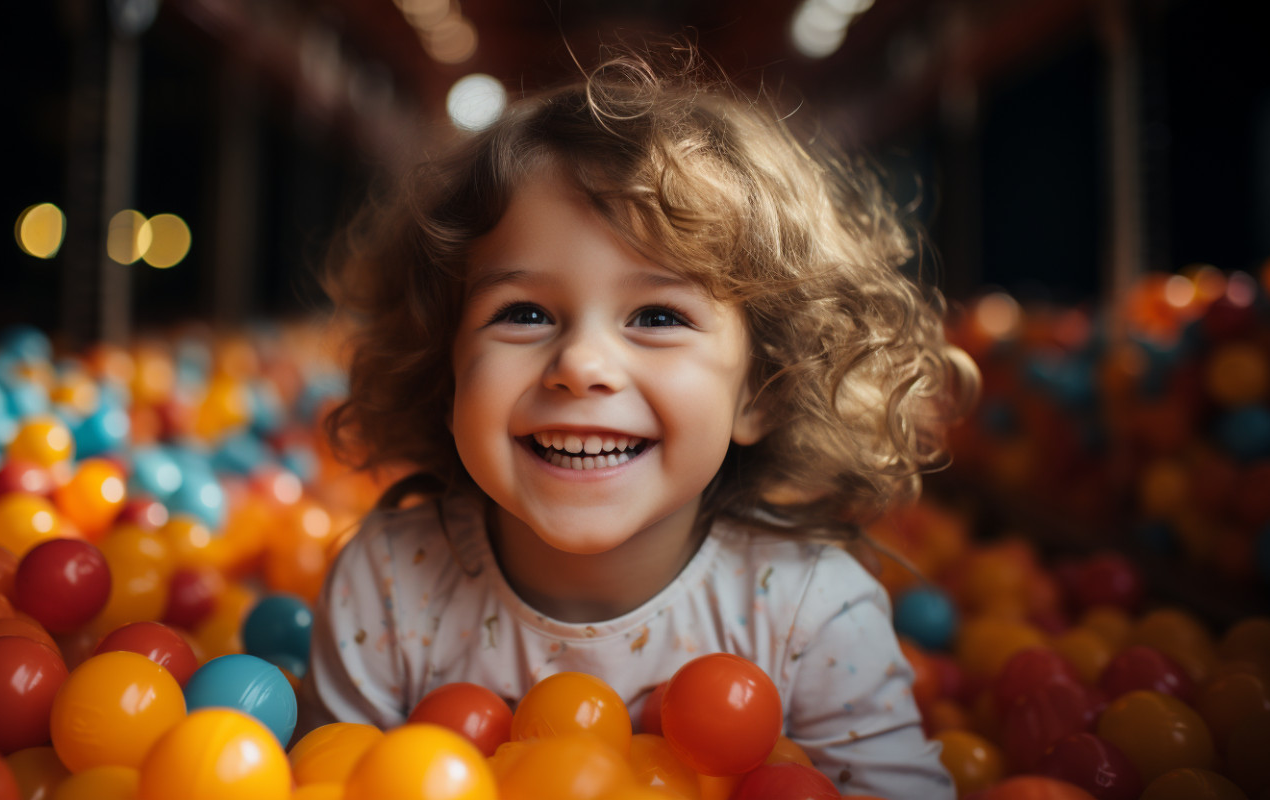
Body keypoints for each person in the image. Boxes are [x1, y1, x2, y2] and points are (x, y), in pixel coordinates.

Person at [298, 45, 978, 799]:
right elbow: (325, 782)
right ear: (447, 366)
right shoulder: (389, 587)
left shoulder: (808, 610)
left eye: (657, 315)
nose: (582, 364)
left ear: (761, 391)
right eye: (522, 313)